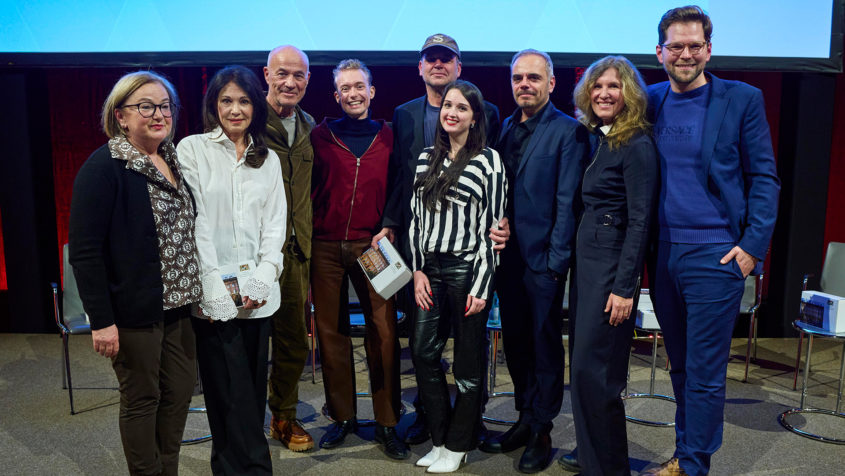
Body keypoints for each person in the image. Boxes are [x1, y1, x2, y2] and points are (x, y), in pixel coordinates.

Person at [644, 6, 780, 476]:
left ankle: (692, 465)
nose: (685, 54)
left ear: (708, 49)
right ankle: (685, 454)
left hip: (716, 255)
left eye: (694, 46)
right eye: (676, 46)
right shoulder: (647, 100)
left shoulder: (741, 99)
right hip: (662, 253)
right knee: (679, 367)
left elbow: (764, 177)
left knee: (703, 371)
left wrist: (752, 248)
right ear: (659, 52)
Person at [68, 71, 202, 476]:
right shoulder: (103, 167)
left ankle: (167, 469)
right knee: (142, 399)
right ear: (121, 115)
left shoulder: (173, 158)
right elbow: (85, 253)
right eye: (145, 106)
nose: (158, 114)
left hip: (179, 307)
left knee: (179, 393)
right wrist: (102, 321)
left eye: (165, 106)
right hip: (133, 313)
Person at [378, 32, 508, 447]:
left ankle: (470, 424)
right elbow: (401, 177)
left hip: (469, 256)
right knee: (424, 347)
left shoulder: (489, 117)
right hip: (423, 252)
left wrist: (502, 224)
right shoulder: (404, 114)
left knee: (470, 351)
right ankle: (430, 418)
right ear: (420, 67)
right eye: (430, 58)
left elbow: (492, 187)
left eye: (445, 59)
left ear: (458, 66)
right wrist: (391, 222)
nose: (438, 64)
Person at [479, 49, 589, 474]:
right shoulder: (505, 127)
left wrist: (556, 262)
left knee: (544, 348)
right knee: (517, 343)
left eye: (534, 78)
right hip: (506, 260)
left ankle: (542, 429)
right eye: (518, 78)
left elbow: (567, 202)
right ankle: (524, 418)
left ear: (551, 83)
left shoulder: (568, 131)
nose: (525, 84)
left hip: (543, 262)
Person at [176, 65, 286, 475]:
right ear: (214, 105)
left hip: (258, 292)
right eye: (226, 101)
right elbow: (196, 221)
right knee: (225, 393)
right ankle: (249, 469)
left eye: (243, 101)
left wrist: (267, 271)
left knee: (251, 392)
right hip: (214, 293)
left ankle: (237, 467)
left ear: (256, 106)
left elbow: (275, 222)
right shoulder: (192, 149)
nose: (235, 109)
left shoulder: (267, 158)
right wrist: (210, 282)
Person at [309, 59, 408, 459]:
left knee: (384, 332)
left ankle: (387, 422)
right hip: (325, 246)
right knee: (330, 333)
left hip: (374, 245)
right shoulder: (320, 135)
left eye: (359, 86)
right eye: (345, 88)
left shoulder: (390, 134)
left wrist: (389, 223)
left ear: (371, 91)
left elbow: (401, 183)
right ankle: (343, 417)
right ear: (336, 95)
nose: (353, 93)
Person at [565, 56, 658, 476]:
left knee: (597, 374)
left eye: (614, 86)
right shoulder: (599, 139)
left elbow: (640, 222)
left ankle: (609, 468)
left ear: (630, 94)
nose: (604, 93)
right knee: (583, 371)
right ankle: (592, 457)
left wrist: (625, 288)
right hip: (587, 265)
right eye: (597, 86)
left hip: (610, 269)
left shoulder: (636, 144)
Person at [410, 80, 507, 473]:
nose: (451, 113)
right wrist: (417, 270)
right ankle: (439, 439)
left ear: (475, 117)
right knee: (423, 353)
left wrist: (483, 286)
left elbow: (494, 229)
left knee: (467, 365)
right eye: (447, 105)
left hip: (467, 270)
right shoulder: (425, 158)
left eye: (461, 108)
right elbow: (416, 221)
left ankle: (459, 444)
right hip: (429, 271)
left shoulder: (489, 161)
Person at [263, 45, 316, 452]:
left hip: (295, 252)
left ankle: (283, 416)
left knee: (294, 341)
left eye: (298, 75)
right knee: (247, 343)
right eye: (282, 73)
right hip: (251, 253)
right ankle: (241, 419)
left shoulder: (311, 125)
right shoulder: (246, 120)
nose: (290, 82)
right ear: (266, 75)